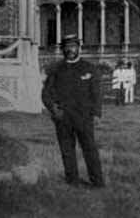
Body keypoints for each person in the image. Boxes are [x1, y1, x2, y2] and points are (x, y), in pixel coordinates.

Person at [41, 34, 104, 187]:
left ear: (79, 48)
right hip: (63, 117)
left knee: (90, 149)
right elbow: (46, 94)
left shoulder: (89, 68)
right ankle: (72, 181)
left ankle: (97, 182)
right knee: (67, 150)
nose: (70, 49)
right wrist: (53, 109)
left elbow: (97, 93)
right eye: (67, 47)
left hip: (84, 117)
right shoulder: (56, 70)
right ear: (63, 49)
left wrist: (96, 114)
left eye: (73, 46)